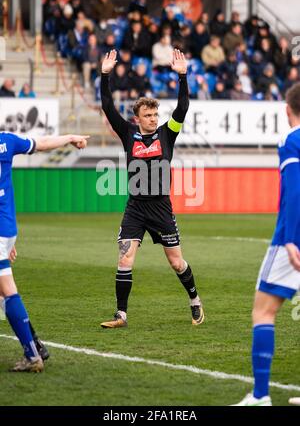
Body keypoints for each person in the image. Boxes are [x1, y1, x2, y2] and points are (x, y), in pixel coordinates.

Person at [99, 49, 204, 329]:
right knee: (125, 257)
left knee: (176, 263)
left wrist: (183, 76)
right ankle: (121, 314)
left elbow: (182, 108)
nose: (153, 118)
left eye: (155, 113)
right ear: (137, 117)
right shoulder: (127, 133)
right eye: (148, 115)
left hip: (160, 208)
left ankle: (194, 300)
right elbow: (108, 106)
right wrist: (105, 74)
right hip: (135, 207)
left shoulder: (167, 132)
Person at [232, 83, 300, 406]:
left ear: (287, 110)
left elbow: (295, 189)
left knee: (263, 311)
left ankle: (260, 396)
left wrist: (290, 239)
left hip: (292, 240)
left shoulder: (291, 140)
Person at [0, 133, 89, 372]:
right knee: (4, 293)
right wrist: (71, 137)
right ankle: (34, 346)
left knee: (7, 292)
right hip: (6, 229)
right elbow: (43, 144)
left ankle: (32, 352)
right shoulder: (6, 142)